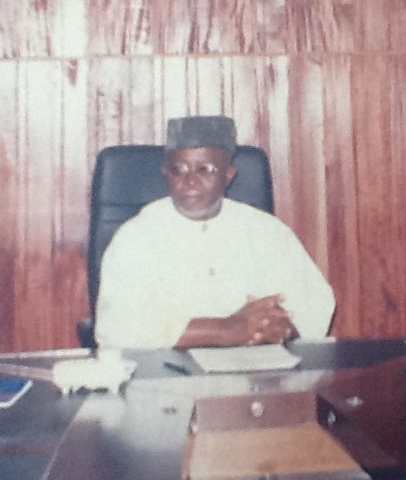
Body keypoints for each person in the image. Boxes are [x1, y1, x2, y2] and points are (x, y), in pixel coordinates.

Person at [94, 115, 336, 350]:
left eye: (205, 169)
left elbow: (315, 303)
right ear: (166, 172)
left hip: (256, 367)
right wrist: (227, 330)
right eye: (179, 170)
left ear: (228, 175)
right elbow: (115, 329)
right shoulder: (136, 237)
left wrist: (282, 327)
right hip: (167, 369)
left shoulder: (267, 231)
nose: (190, 180)